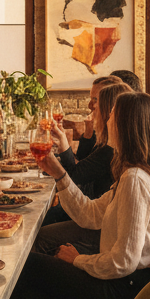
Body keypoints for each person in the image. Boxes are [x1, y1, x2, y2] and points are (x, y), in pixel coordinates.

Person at [0, 92, 150, 299]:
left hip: (124, 293)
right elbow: (90, 214)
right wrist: (59, 174)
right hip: (124, 285)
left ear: (127, 126)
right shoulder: (135, 173)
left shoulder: (136, 181)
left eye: (113, 114)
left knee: (23, 264)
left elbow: (124, 262)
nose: (106, 119)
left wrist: (77, 260)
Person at [35, 80, 132, 248]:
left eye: (96, 101)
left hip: (100, 226)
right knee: (43, 217)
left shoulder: (112, 151)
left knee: (39, 229)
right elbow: (82, 161)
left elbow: (76, 175)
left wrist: (58, 168)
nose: (92, 107)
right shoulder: (111, 144)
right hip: (94, 210)